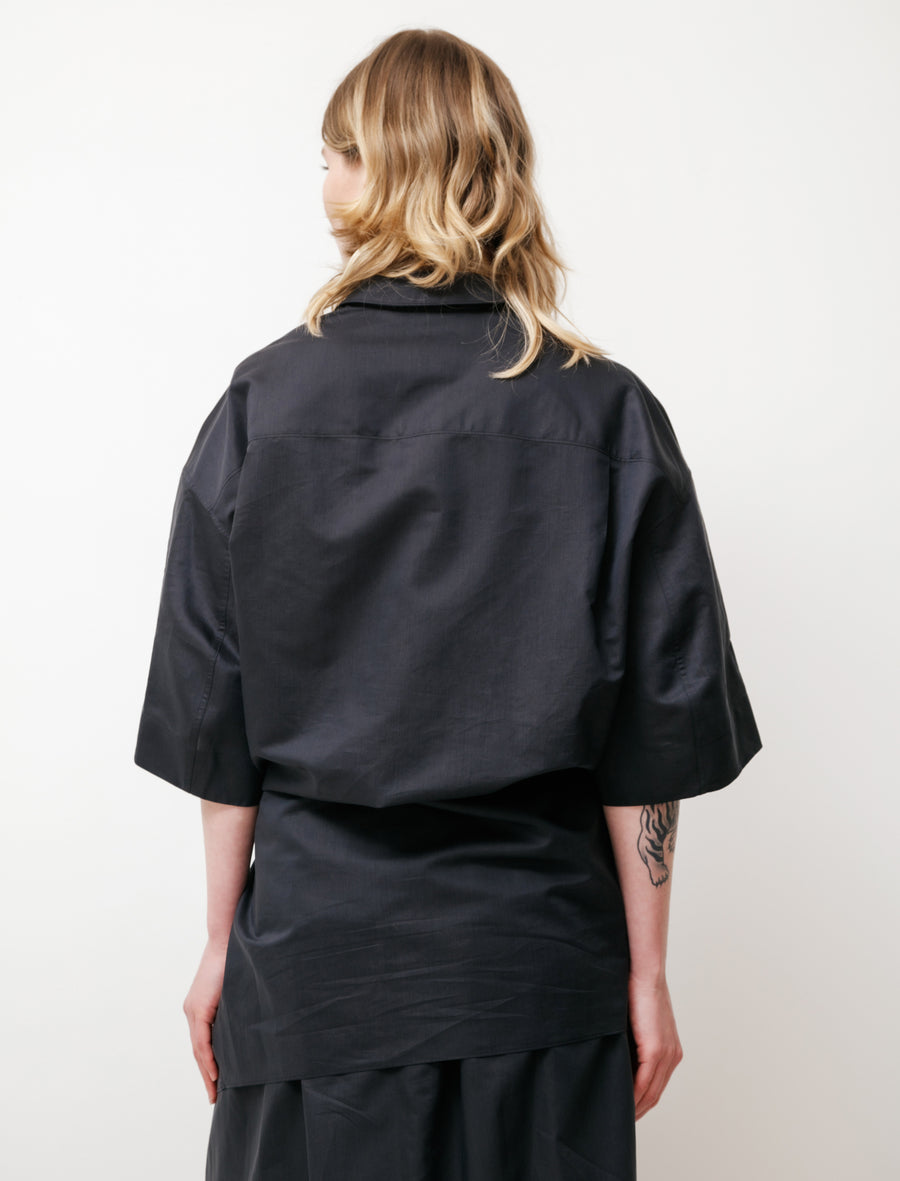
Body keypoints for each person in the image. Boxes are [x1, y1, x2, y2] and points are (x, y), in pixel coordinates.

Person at [133, 27, 762, 1181]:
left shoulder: (263, 404)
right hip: (540, 975)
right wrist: (646, 970)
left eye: (334, 156)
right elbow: (652, 740)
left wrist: (220, 944)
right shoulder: (607, 415)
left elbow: (217, 723)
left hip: (314, 974)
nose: (325, 183)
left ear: (374, 174)